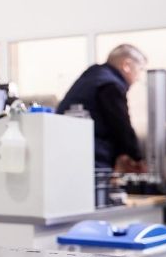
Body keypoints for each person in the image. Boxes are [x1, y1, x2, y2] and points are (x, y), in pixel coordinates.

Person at [57, 44, 148, 172]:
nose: (138, 78)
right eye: (140, 69)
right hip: (93, 158)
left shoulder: (92, 77)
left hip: (65, 153)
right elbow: (120, 125)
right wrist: (137, 158)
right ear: (126, 65)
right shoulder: (110, 84)